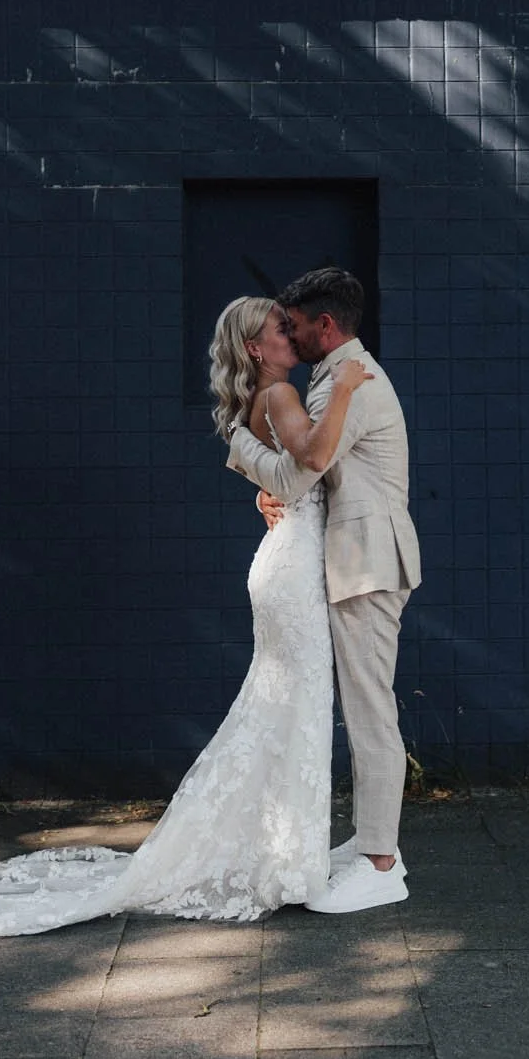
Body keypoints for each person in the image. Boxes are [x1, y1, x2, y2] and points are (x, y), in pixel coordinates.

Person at [0, 296, 371, 951]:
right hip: (293, 571)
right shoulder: (279, 396)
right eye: (281, 328)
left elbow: (283, 475)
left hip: (280, 563)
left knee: (283, 710)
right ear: (256, 347)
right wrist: (348, 390)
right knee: (294, 708)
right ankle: (291, 865)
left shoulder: (263, 401)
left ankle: (289, 859)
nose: (293, 335)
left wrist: (265, 486)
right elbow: (315, 459)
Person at [225, 267, 421, 914]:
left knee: (371, 711)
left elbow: (305, 472)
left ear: (326, 325)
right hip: (355, 558)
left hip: (367, 563)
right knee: (365, 705)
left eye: (298, 323)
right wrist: (267, 485)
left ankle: (381, 864)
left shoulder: (349, 383)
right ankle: (371, 843)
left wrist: (243, 452)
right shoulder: (333, 376)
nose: (293, 332)